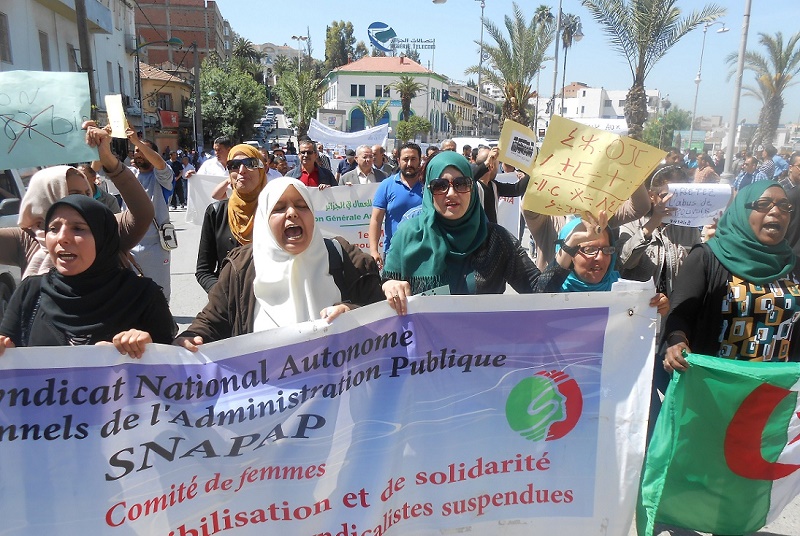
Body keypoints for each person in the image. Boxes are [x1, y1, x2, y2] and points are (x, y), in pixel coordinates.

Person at [380, 152, 600, 315]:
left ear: (472, 188)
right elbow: (384, 293)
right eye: (440, 185)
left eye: (461, 184)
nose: (451, 193)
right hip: (425, 364)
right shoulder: (408, 235)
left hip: (483, 363)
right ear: (429, 190)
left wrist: (569, 246)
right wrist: (387, 286)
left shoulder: (496, 240)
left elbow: (537, 291)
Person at [175, 177, 384, 348]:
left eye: (302, 206)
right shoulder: (241, 267)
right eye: (279, 208)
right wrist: (191, 338)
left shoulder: (345, 256)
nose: (292, 213)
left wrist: (351, 312)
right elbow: (212, 321)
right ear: (264, 218)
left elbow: (381, 312)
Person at [0, 195, 176, 358]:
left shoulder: (142, 295)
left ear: (102, 238)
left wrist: (149, 345)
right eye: (53, 229)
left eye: (78, 228)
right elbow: (9, 351)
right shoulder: (30, 291)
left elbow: (174, 371)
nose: (62, 238)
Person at [663, 181, 798, 372]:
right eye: (763, 204)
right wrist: (677, 342)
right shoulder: (707, 257)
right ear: (741, 212)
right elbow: (680, 315)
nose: (776, 211)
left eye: (784, 206)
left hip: (776, 391)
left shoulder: (794, 265)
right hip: (718, 387)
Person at [0, 123, 153, 280]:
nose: (84, 200)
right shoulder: (26, 240)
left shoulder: (104, 230)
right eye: (73, 194)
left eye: (87, 193)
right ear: (44, 198)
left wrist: (108, 159)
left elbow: (143, 213)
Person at [617, 165, 701, 298]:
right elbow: (625, 262)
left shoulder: (689, 227)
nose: (674, 202)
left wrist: (711, 240)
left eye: (681, 196)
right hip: (638, 305)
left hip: (673, 307)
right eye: (666, 196)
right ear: (651, 195)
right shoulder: (632, 222)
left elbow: (697, 269)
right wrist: (651, 225)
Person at [196, 144, 267, 293]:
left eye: (250, 164)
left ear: (261, 170)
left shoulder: (275, 210)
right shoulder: (216, 213)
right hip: (229, 305)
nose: (242, 171)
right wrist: (223, 296)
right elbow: (204, 271)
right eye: (234, 165)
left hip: (271, 303)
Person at [127, 129, 174, 300]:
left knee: (159, 295)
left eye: (143, 151)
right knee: (130, 295)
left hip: (155, 247)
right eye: (136, 151)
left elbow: (160, 164)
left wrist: (137, 142)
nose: (139, 153)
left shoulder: (162, 177)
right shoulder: (129, 176)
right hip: (128, 246)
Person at [369, 142, 424, 268]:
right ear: (398, 160)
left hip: (424, 254)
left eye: (413, 159)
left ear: (420, 160)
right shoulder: (386, 185)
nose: (409, 164)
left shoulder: (429, 186)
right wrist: (373, 250)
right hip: (394, 253)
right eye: (405, 159)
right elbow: (376, 220)